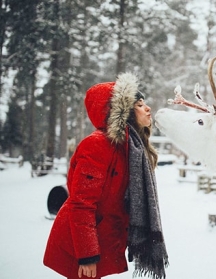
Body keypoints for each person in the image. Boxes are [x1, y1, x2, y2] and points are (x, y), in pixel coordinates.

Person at [43, 73, 168, 279]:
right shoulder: (97, 145)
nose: (147, 108)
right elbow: (81, 203)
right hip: (80, 244)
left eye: (144, 103)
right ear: (123, 113)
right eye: (139, 104)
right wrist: (87, 255)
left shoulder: (130, 148)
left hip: (104, 237)